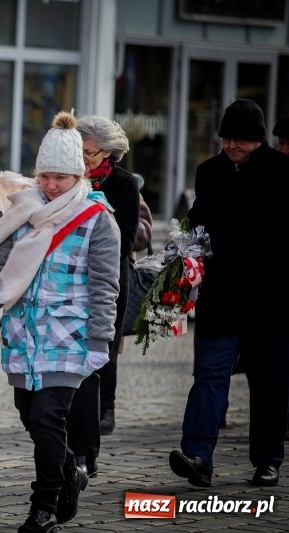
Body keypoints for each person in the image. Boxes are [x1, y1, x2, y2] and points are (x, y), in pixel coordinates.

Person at [0, 111, 121, 533]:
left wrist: (100, 341)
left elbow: (105, 286)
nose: (51, 186)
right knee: (28, 414)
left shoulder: (97, 219)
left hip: (69, 336)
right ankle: (70, 470)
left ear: (79, 175)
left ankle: (44, 506)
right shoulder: (23, 211)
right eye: (45, 176)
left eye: (61, 177)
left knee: (48, 418)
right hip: (23, 333)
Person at [170, 98, 289, 488]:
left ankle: (268, 459)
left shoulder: (283, 171)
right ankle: (197, 455)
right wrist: (183, 252)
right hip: (221, 299)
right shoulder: (210, 172)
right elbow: (197, 224)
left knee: (269, 381)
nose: (232, 144)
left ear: (258, 139)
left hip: (270, 301)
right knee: (209, 373)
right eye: (226, 137)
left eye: (241, 138)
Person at [63, 115, 139, 478]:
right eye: (80, 150)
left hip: (107, 277)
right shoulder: (65, 176)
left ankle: (97, 424)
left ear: (109, 152)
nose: (84, 158)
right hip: (67, 278)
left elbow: (124, 236)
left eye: (91, 153)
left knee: (99, 354)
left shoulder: (122, 184)